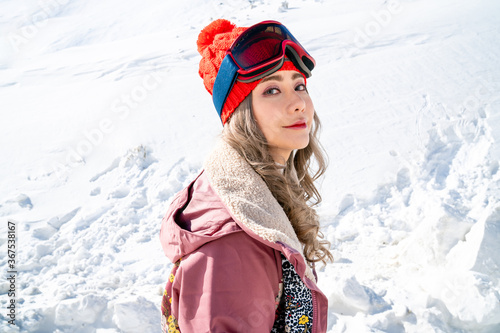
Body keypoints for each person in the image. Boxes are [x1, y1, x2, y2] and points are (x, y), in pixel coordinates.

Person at [160, 19, 333, 333]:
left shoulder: (259, 201)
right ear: (240, 113)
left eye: (299, 86)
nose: (297, 104)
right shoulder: (232, 244)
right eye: (271, 90)